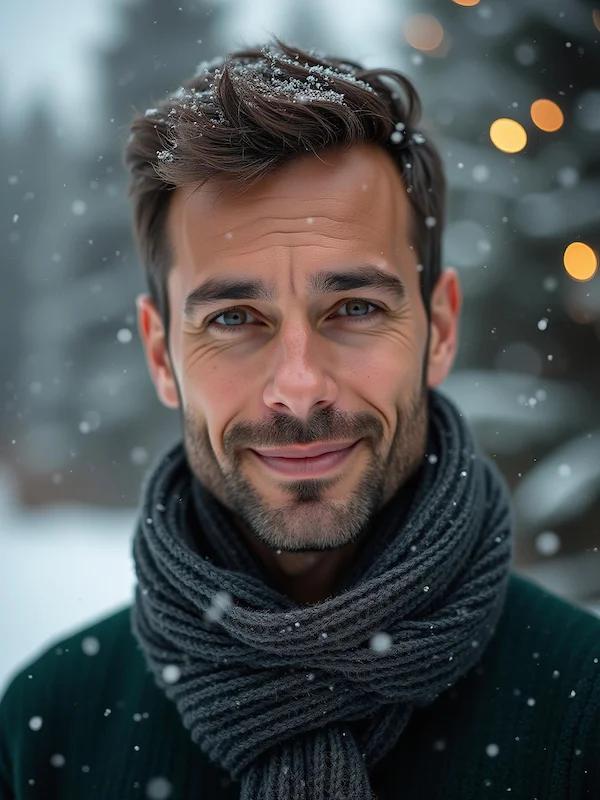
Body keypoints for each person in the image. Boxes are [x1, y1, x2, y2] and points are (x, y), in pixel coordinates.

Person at [0, 37, 598, 800]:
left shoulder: (582, 705)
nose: (300, 387)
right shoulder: (52, 727)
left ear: (440, 327)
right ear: (159, 353)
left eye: (353, 308)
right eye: (234, 318)